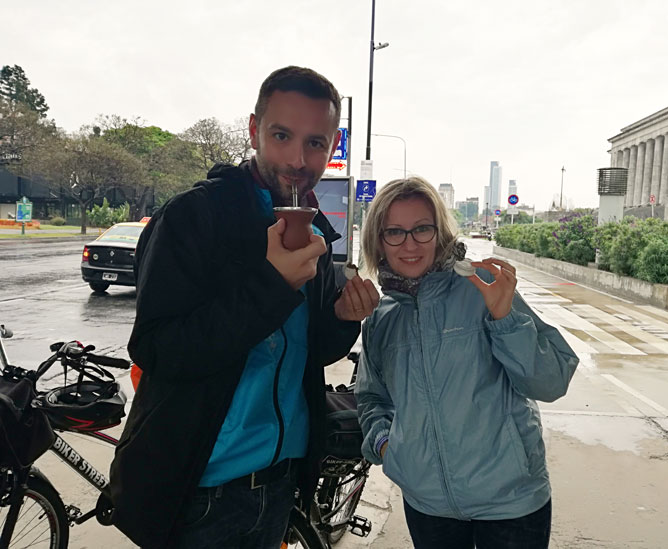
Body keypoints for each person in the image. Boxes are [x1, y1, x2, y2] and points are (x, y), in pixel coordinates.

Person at [107, 66, 380, 548]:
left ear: (332, 145)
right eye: (281, 135)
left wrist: (342, 319)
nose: (298, 159)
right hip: (200, 488)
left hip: (279, 484)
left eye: (316, 143)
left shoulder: (316, 232)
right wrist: (270, 286)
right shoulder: (192, 218)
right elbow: (157, 349)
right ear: (254, 130)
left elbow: (308, 351)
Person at [355, 177, 579, 549]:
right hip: (428, 506)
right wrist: (387, 447)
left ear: (439, 232)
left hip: (510, 503)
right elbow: (371, 399)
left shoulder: (482, 287)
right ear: (378, 240)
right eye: (394, 232)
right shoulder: (381, 317)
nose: (409, 244)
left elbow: (550, 382)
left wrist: (506, 319)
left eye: (421, 229)